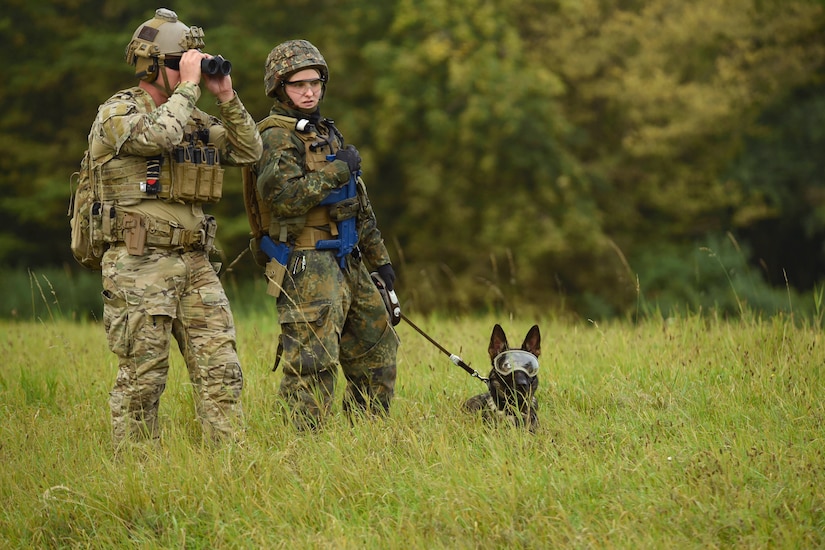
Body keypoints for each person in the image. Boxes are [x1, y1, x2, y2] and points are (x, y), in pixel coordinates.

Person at [88, 8, 262, 449]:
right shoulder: (118, 112)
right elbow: (158, 138)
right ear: (151, 65)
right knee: (144, 378)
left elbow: (249, 149)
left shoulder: (196, 119)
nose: (191, 71)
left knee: (222, 373)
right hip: (139, 261)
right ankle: (136, 475)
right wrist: (187, 87)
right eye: (179, 62)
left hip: (195, 262)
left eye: (194, 62)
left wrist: (225, 95)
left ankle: (230, 468)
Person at [253, 39, 399, 430]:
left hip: (348, 256)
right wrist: (339, 170)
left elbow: (357, 204)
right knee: (312, 362)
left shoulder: (326, 133)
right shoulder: (274, 136)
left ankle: (365, 441)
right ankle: (297, 450)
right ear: (279, 87)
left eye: (315, 82)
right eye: (299, 84)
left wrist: (380, 260)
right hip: (307, 261)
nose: (309, 91)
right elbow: (284, 198)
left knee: (378, 348)